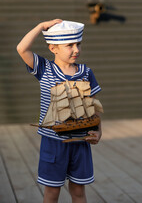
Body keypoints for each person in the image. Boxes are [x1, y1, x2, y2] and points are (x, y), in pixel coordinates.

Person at [17, 19, 102, 203]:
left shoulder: (86, 72)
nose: (76, 49)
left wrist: (98, 131)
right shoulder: (45, 69)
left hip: (81, 142)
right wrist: (40, 26)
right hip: (54, 143)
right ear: (53, 48)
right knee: (52, 194)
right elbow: (21, 49)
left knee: (79, 192)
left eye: (78, 44)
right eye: (70, 45)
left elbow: (93, 105)